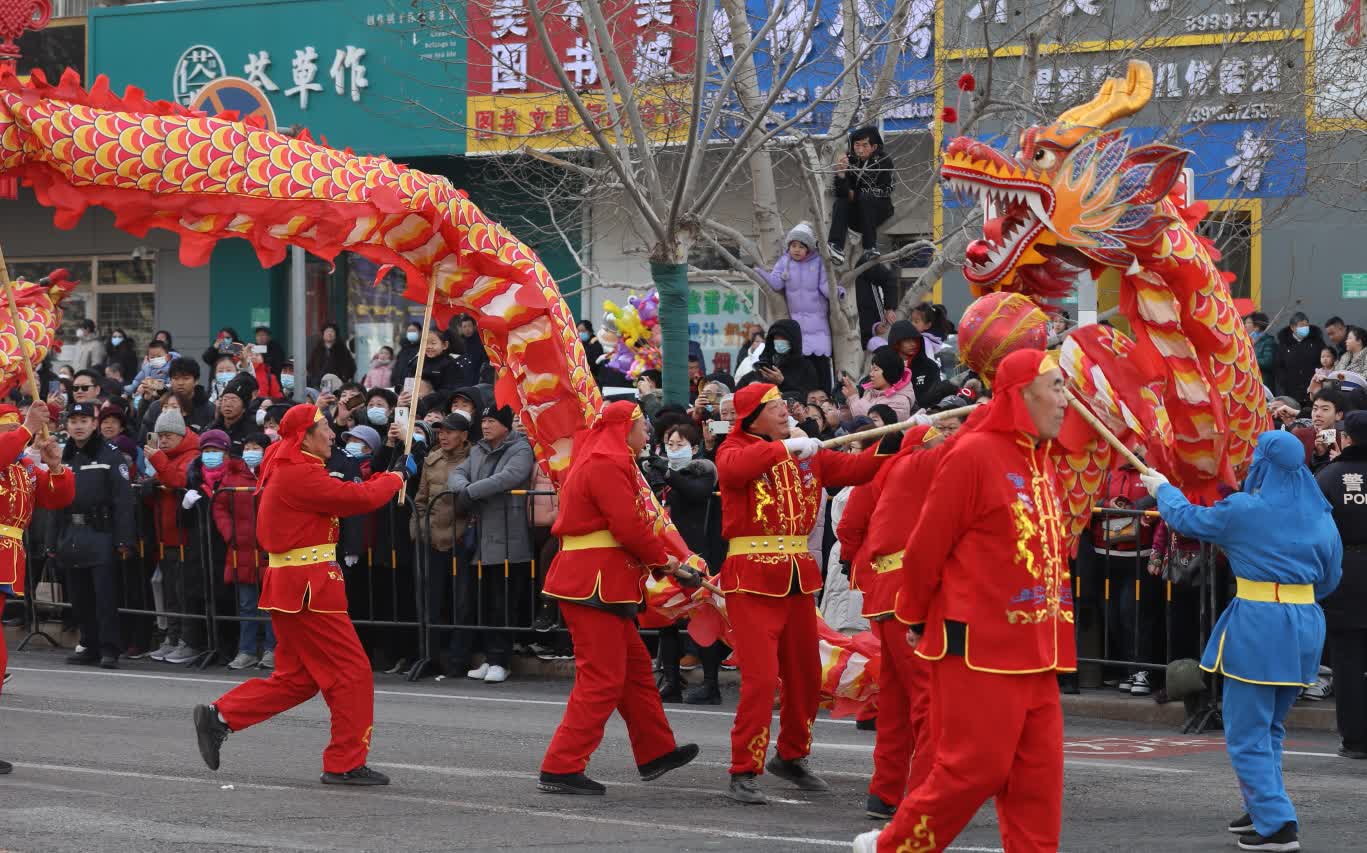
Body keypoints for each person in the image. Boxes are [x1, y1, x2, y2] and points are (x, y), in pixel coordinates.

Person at [857, 348, 1072, 853]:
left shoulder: (1041, 461)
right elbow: (926, 547)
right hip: (978, 646)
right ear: (1022, 394)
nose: (1066, 400)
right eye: (1057, 387)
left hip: (1039, 650)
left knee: (1039, 782)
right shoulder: (974, 454)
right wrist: (914, 617)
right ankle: (893, 847)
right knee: (974, 769)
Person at [1141, 430, 1341, 852]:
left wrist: (1163, 490)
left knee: (1247, 730)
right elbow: (1330, 577)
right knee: (1270, 726)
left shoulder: (1247, 509)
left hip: (1260, 624)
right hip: (1306, 622)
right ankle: (1262, 804)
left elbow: (1190, 520)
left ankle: (1276, 823)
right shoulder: (1321, 514)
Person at [192, 404, 407, 785]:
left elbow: (349, 482)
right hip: (310, 588)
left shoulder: (294, 465)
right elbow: (356, 499)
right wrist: (396, 478)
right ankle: (344, 762)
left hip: (295, 585)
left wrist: (392, 461)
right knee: (352, 673)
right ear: (304, 436)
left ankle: (221, 716)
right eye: (324, 427)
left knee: (298, 679)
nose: (332, 434)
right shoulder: (298, 473)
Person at [718, 382, 887, 805]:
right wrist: (787, 448)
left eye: (783, 406)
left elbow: (860, 469)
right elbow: (735, 471)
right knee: (760, 680)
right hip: (750, 580)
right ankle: (744, 767)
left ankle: (792, 755)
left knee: (807, 676)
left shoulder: (806, 453)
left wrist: (902, 438)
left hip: (796, 579)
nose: (784, 411)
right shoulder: (735, 448)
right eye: (774, 406)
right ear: (753, 416)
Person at [538, 399, 701, 795]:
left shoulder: (606, 460)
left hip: (601, 580)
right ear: (625, 428)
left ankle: (655, 751)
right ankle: (561, 765)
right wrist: (664, 562)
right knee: (603, 678)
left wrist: (662, 560)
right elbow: (627, 526)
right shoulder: (607, 464)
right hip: (594, 582)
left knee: (635, 671)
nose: (648, 434)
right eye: (643, 427)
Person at [838, 424, 945, 820]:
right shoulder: (917, 465)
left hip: (883, 593)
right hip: (907, 593)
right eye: (939, 439)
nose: (944, 443)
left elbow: (851, 523)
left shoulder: (886, 470)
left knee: (897, 703)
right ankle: (923, 796)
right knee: (928, 700)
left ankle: (885, 793)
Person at [0, 402, 70, 771]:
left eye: (14, 427)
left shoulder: (23, 466)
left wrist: (55, 466)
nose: (13, 433)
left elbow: (57, 498)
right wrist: (27, 428)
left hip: (8, 557)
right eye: (7, 428)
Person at [446, 405, 535, 684]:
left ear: (506, 425)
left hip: (510, 535)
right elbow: (456, 474)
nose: (485, 426)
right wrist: (464, 488)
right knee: (484, 601)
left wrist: (471, 491)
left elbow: (508, 478)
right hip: (483, 537)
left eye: (492, 421)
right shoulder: (478, 450)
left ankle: (501, 660)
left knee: (503, 602)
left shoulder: (521, 449)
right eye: (483, 420)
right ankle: (489, 657)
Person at [58, 400, 133, 669]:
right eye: (73, 421)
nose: (78, 426)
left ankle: (109, 648)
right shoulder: (63, 455)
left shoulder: (109, 454)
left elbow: (123, 500)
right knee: (79, 596)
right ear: (67, 426)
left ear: (94, 424)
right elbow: (55, 500)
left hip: (100, 531)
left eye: (84, 421)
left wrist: (124, 540)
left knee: (104, 596)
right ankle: (89, 644)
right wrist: (52, 540)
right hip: (72, 532)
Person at [1316, 410, 1367, 762]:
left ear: (1346, 438)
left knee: (1347, 661)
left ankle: (1355, 739)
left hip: (1343, 573)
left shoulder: (1328, 476)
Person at [410, 411, 471, 677]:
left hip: (460, 540)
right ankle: (429, 656)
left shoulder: (474, 459)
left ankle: (459, 659)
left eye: (450, 432)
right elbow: (420, 500)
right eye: (441, 432)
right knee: (430, 602)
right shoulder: (431, 459)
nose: (443, 436)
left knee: (462, 603)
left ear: (464, 435)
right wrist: (419, 530)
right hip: (432, 540)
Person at [144, 409, 206, 664]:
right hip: (166, 538)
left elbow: (179, 481)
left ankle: (189, 641)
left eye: (168, 435)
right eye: (160, 436)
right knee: (170, 593)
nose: (164, 440)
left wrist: (158, 461)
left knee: (185, 594)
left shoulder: (192, 457)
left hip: (185, 539)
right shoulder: (167, 458)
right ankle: (172, 636)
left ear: (181, 435)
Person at [209, 431, 275, 670]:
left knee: (271, 605)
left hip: (270, 550)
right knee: (247, 604)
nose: (251, 452)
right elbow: (219, 507)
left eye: (256, 447)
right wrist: (230, 533)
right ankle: (246, 650)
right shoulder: (233, 475)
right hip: (242, 550)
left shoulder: (275, 473)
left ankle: (272, 650)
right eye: (247, 447)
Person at [757, 223, 834, 388]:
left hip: (818, 326)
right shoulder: (784, 262)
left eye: (801, 246)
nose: (796, 250)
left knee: (820, 369)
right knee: (801, 370)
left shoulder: (819, 262)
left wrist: (838, 292)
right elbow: (777, 283)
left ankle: (824, 397)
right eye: (793, 245)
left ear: (809, 248)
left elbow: (825, 286)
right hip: (796, 327)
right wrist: (760, 274)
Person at [828, 125, 895, 261]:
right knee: (841, 201)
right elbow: (841, 193)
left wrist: (855, 194)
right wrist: (841, 174)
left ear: (874, 147)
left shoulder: (884, 161)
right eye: (856, 145)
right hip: (855, 215)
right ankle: (835, 245)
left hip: (878, 211)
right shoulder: (849, 160)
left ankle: (870, 247)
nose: (860, 149)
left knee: (866, 197)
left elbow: (885, 189)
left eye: (865, 145)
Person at [138, 357, 215, 442]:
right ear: (170, 380)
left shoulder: (208, 409)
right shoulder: (157, 407)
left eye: (186, 378)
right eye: (176, 378)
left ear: (196, 380)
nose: (180, 383)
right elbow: (145, 439)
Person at [739, 319, 820, 398]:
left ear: (793, 339)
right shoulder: (766, 364)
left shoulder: (805, 367)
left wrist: (782, 382)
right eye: (776, 338)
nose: (779, 341)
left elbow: (810, 396)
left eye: (783, 337)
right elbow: (740, 389)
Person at [842, 346, 918, 423]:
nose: (871, 374)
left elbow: (875, 421)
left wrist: (853, 398)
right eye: (871, 370)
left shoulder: (900, 401)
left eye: (875, 370)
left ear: (889, 371)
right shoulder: (870, 392)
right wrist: (837, 414)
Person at [887, 320, 943, 409]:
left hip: (925, 413)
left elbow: (936, 395)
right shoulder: (885, 366)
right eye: (907, 340)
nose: (913, 344)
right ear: (896, 343)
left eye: (915, 339)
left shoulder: (929, 366)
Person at [1275, 313, 1327, 405]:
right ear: (1292, 327)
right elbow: (1279, 366)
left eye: (1306, 325)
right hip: (1292, 390)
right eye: (1302, 325)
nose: (1305, 328)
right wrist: (1284, 382)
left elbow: (1324, 360)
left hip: (1313, 389)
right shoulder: (1284, 344)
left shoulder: (1316, 341)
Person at [307, 323, 356, 387]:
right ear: (323, 334)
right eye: (327, 331)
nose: (329, 334)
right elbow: (310, 367)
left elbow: (351, 367)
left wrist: (343, 378)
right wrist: (315, 379)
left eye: (332, 331)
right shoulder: (317, 350)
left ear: (336, 335)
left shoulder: (342, 350)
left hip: (337, 384)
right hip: (319, 384)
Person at [1244, 312, 1276, 382]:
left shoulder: (1268, 341)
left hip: (1262, 380)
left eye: (1249, 323)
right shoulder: (1245, 340)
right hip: (1248, 380)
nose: (1245, 325)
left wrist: (1249, 359)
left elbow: (1267, 362)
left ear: (1257, 326)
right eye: (1245, 323)